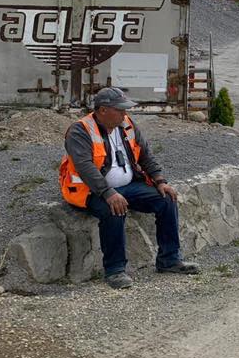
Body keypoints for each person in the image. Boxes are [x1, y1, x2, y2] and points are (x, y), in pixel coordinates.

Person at [58, 87, 199, 288]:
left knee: (166, 199)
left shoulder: (126, 124)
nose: (125, 113)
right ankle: (115, 271)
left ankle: (169, 260)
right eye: (120, 109)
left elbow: (145, 155)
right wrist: (108, 193)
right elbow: (85, 167)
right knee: (113, 209)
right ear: (103, 110)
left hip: (126, 186)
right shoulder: (80, 130)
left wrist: (160, 181)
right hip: (90, 190)